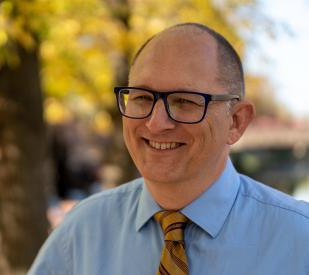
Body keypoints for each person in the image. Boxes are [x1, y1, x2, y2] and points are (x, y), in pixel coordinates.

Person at [28, 23, 309, 275]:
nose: (156, 122)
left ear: (236, 121)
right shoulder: (81, 234)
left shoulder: (300, 241)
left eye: (185, 101)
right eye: (141, 97)